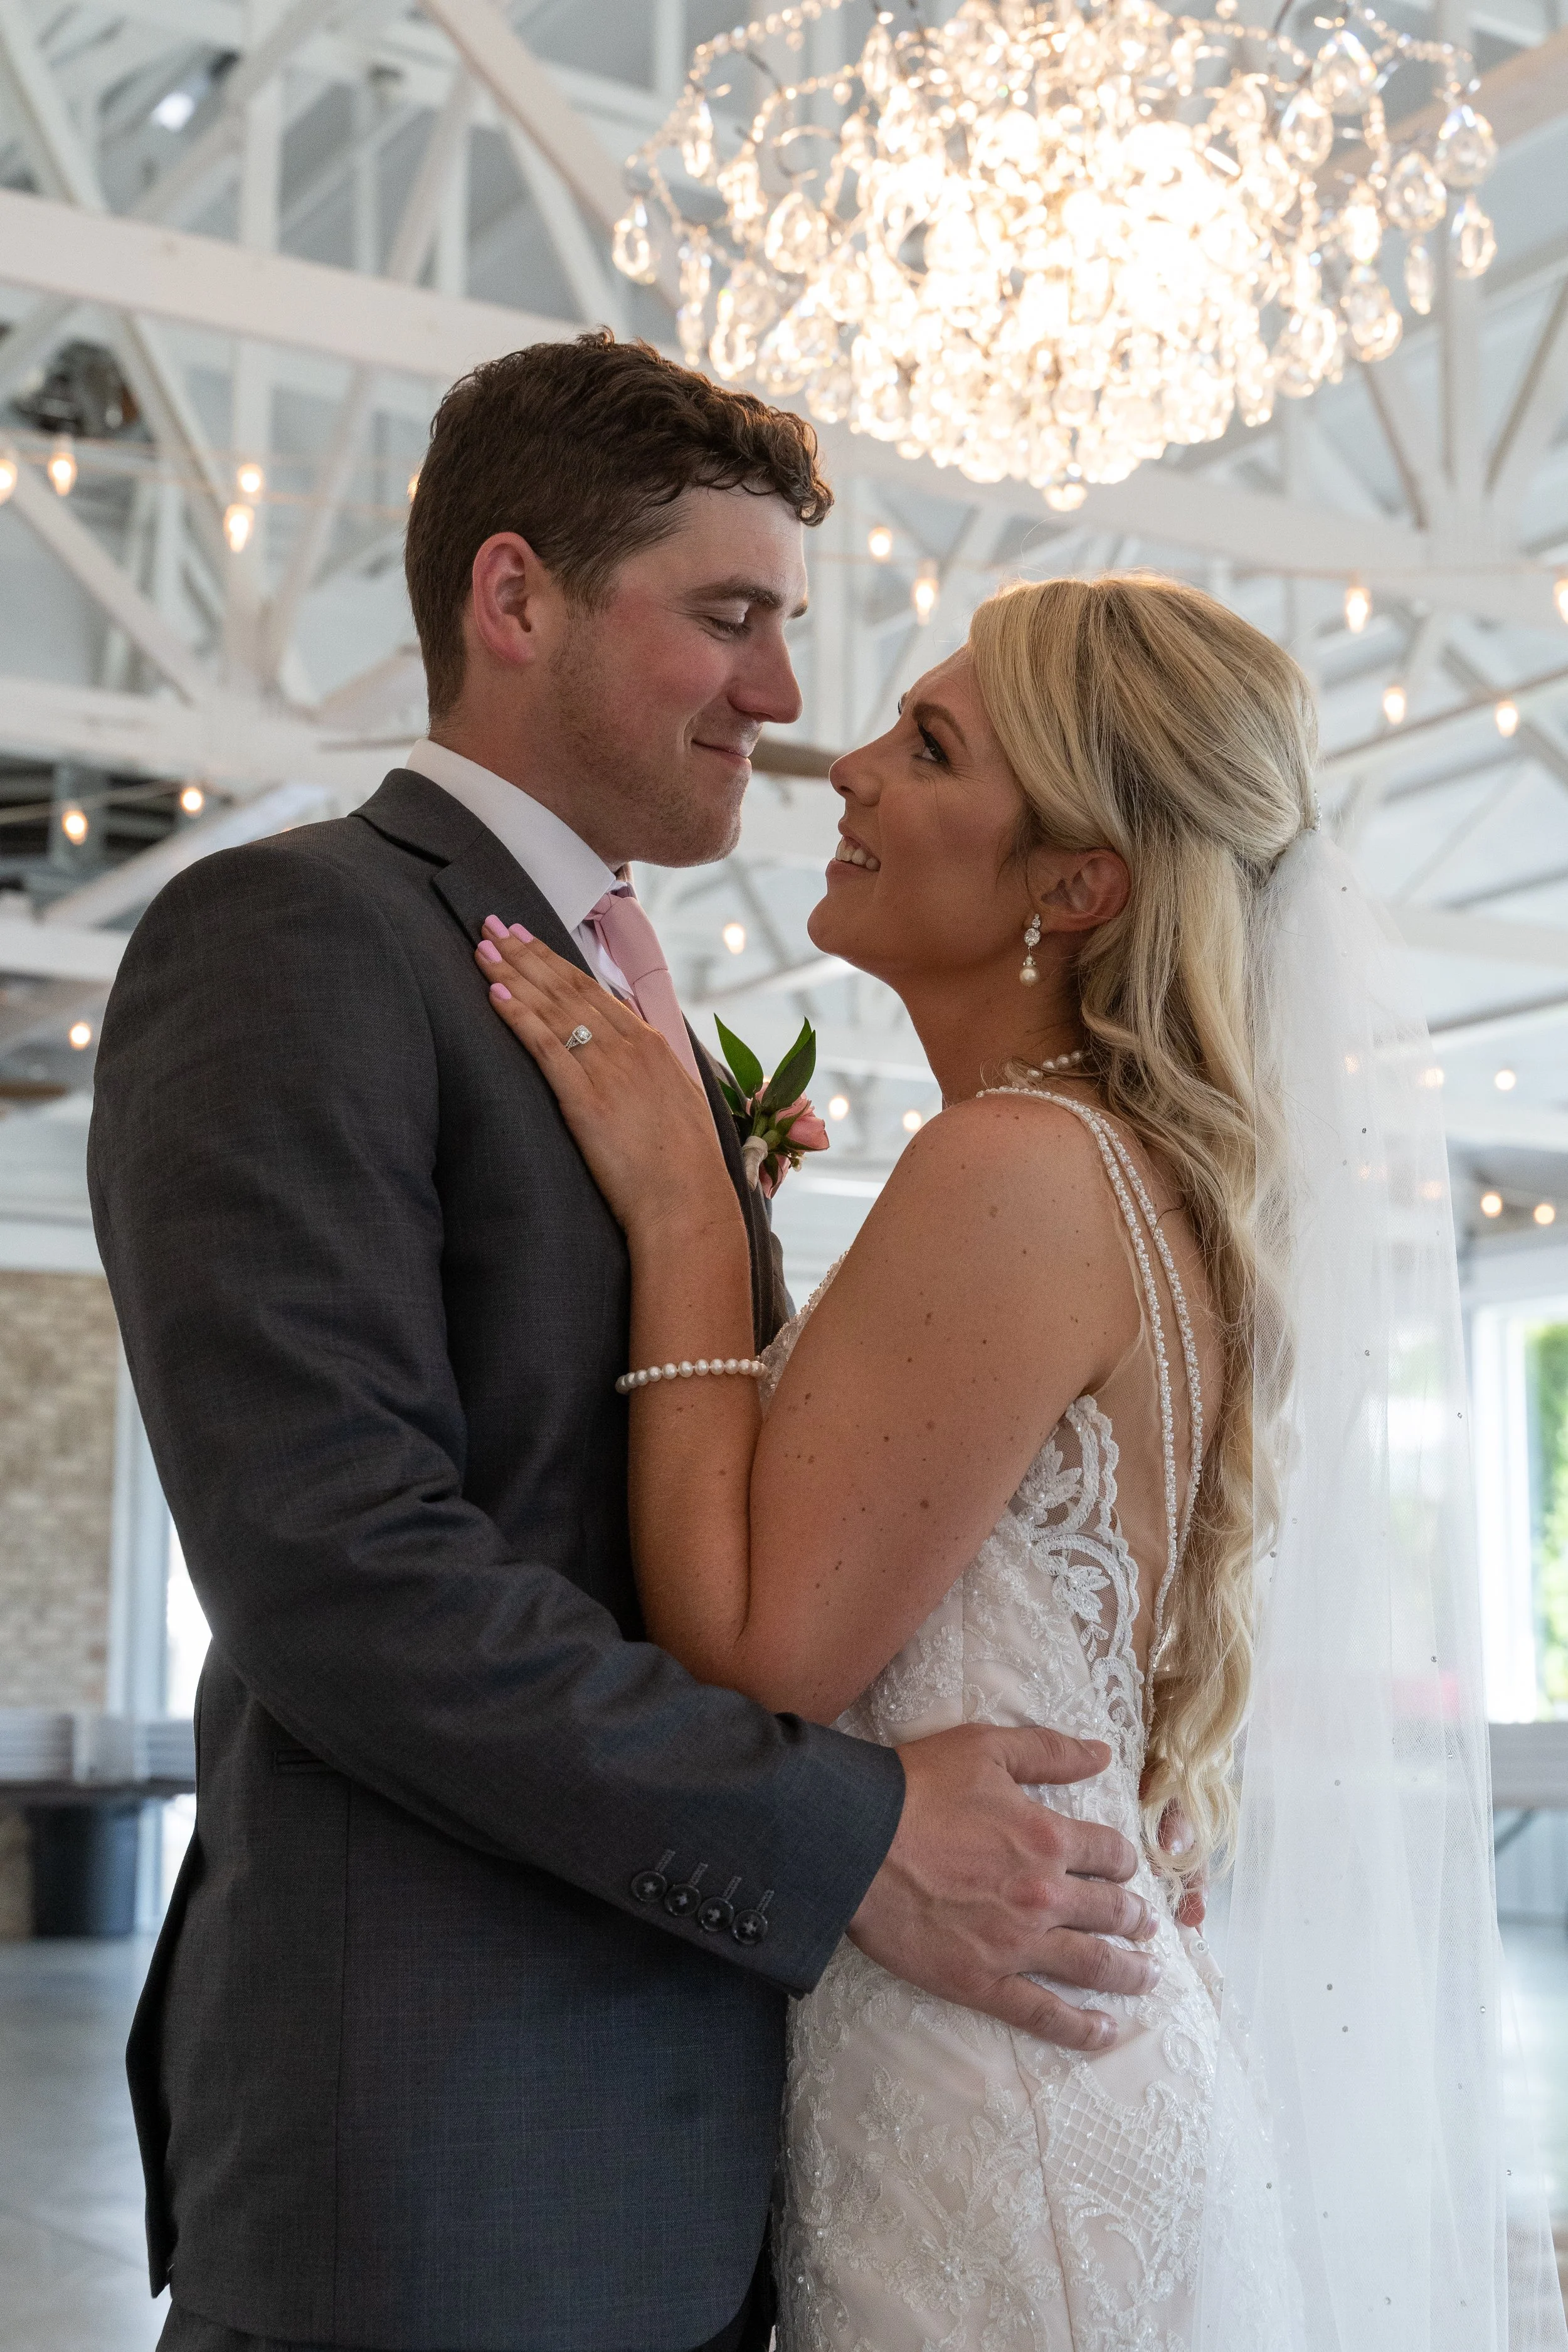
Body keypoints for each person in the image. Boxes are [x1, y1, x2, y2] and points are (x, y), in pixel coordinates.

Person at [86, 334, 1158, 2352]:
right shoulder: (294, 935)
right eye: (727, 617)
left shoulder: (625, 994)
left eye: (785, 626)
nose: (778, 693)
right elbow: (342, 1569)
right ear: (514, 598)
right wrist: (851, 1835)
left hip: (708, 2162)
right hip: (439, 2152)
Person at [473, 571, 1567, 2351]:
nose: (846, 765)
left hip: (1000, 2123)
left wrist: (683, 1208)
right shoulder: (1125, 1179)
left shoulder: (1019, 1166)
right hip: (1004, 2046)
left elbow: (759, 1659)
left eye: (926, 747)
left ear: (1074, 886)